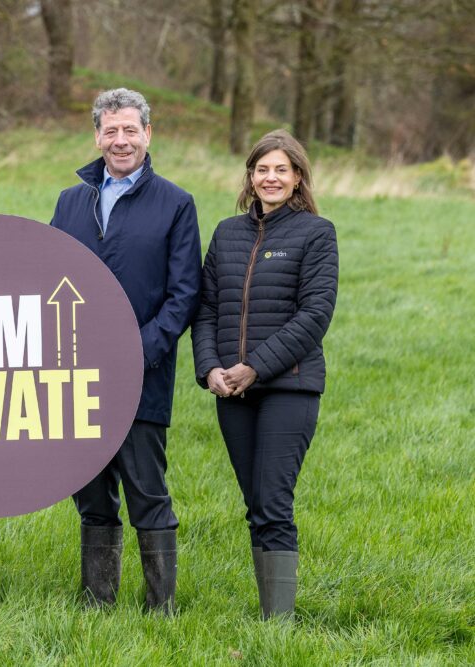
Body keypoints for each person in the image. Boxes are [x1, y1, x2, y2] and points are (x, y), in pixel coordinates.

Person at [50, 88, 202, 612]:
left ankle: (161, 607)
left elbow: (184, 295)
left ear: (148, 135)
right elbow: (47, 281)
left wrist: (135, 354)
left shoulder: (176, 204)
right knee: (92, 495)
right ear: (97, 136)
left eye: (130, 130)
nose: (121, 140)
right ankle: (98, 602)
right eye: (111, 131)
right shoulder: (70, 203)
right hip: (77, 378)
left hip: (143, 375)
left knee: (146, 493)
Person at [191, 129, 338, 619]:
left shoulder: (317, 233)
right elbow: (206, 307)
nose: (270, 178)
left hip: (289, 386)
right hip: (232, 391)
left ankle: (279, 626)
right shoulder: (227, 233)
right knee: (255, 504)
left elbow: (315, 315)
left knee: (273, 502)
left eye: (281, 169)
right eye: (262, 169)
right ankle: (269, 615)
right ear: (250, 177)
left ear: (297, 178)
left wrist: (255, 366)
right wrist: (209, 368)